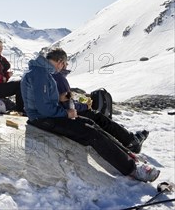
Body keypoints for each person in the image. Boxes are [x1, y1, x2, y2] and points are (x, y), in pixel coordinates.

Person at [21, 48, 160, 182]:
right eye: (64, 64)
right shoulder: (41, 74)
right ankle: (132, 170)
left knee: (91, 123)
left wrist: (59, 98)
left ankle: (129, 156)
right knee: (90, 134)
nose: (62, 68)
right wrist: (66, 113)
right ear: (60, 62)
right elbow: (44, 109)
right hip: (43, 119)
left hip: (45, 116)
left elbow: (39, 97)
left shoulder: (39, 70)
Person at [53, 67, 149, 153]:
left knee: (96, 116)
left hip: (57, 114)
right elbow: (68, 105)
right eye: (65, 63)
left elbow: (64, 100)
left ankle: (128, 139)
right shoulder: (59, 78)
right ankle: (131, 142)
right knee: (98, 116)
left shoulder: (48, 76)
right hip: (65, 116)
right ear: (59, 63)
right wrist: (85, 106)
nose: (66, 65)